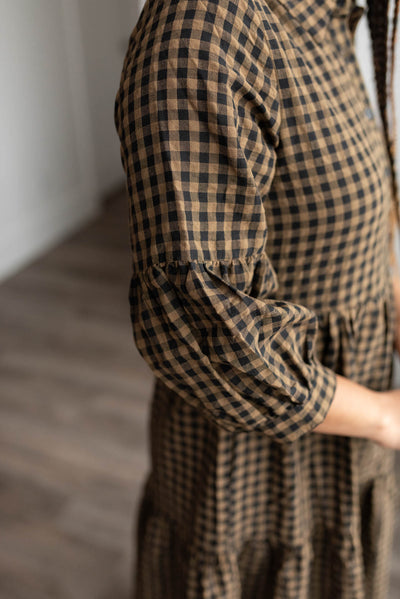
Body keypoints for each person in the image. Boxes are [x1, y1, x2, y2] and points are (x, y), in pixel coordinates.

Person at [114, 0, 400, 597]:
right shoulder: (204, 32)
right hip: (252, 457)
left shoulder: (327, 13)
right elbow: (204, 318)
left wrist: (391, 300)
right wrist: (381, 415)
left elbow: (347, 212)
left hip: (346, 423)